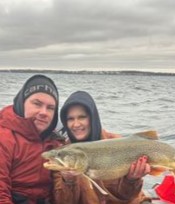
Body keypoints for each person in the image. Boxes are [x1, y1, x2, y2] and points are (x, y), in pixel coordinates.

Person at [53, 90, 151, 204]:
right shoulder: (62, 155)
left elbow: (126, 197)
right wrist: (68, 181)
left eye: (82, 117)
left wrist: (131, 180)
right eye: (70, 119)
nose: (76, 124)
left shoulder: (116, 143)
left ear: (92, 117)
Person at [0, 74, 64, 203]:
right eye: (37, 104)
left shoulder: (56, 142)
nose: (44, 112)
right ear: (22, 103)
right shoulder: (4, 138)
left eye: (50, 108)